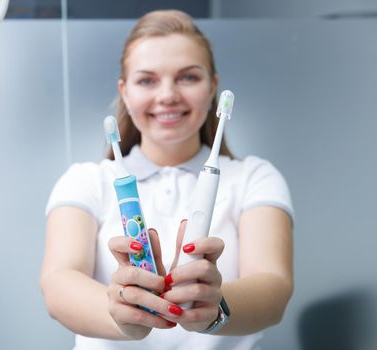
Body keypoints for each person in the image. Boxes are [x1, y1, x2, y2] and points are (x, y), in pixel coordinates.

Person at [40, 9, 293, 350]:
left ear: (213, 87)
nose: (168, 95)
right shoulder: (86, 180)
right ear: (125, 92)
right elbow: (58, 283)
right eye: (147, 80)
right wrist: (121, 315)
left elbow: (274, 287)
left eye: (188, 77)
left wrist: (214, 307)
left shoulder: (254, 177)